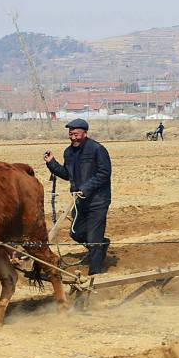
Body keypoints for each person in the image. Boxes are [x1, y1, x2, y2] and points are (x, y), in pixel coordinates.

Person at [45, 118, 112, 275]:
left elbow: (104, 173)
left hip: (97, 201)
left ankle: (94, 273)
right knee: (75, 233)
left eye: (76, 134)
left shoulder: (97, 149)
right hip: (79, 201)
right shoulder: (68, 152)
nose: (73, 137)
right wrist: (52, 163)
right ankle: (101, 247)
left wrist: (85, 188)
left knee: (93, 238)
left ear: (85, 133)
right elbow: (68, 175)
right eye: (70, 134)